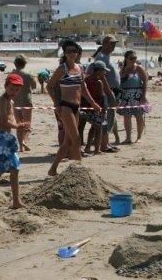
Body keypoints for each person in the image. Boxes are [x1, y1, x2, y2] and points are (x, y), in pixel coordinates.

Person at [47, 40, 101, 176]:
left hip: (77, 106)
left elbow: (83, 88)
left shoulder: (79, 68)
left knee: (68, 141)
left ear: (78, 53)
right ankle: (79, 170)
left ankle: (53, 169)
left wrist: (93, 103)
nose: (72, 53)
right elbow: (50, 86)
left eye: (74, 51)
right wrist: (56, 103)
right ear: (64, 53)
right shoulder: (62, 69)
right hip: (66, 106)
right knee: (76, 139)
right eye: (69, 51)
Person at [0, 73, 30, 209]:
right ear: (6, 86)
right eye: (12, 88)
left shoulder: (11, 101)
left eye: (17, 89)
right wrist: (18, 126)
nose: (14, 91)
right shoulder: (1, 100)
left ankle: (16, 201)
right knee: (0, 169)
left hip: (6, 138)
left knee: (15, 168)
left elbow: (12, 119)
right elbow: (4, 121)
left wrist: (21, 124)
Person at [88, 35, 120, 149]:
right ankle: (103, 143)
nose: (114, 46)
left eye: (115, 44)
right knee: (105, 118)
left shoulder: (106, 56)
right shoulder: (101, 57)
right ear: (105, 43)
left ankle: (106, 141)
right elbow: (101, 76)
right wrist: (110, 93)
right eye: (112, 43)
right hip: (106, 91)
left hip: (111, 90)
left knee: (110, 117)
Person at [117, 50, 148, 144]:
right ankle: (128, 138)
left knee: (139, 116)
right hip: (125, 95)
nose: (134, 60)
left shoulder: (139, 68)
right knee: (127, 117)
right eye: (131, 58)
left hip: (137, 94)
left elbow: (145, 82)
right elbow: (118, 82)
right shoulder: (122, 69)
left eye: (135, 58)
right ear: (126, 59)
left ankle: (139, 137)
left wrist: (143, 96)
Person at [81, 60, 109, 155]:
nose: (104, 73)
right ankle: (97, 149)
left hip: (86, 107)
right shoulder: (98, 82)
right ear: (98, 71)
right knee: (98, 129)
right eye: (103, 71)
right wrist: (104, 109)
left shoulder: (86, 80)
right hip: (96, 108)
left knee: (93, 128)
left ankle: (88, 147)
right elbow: (101, 97)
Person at [11, 55, 36, 152]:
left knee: (19, 124)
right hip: (26, 100)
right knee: (27, 125)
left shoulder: (11, 75)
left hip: (15, 101)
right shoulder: (27, 75)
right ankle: (24, 141)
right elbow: (34, 86)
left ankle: (21, 147)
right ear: (24, 64)